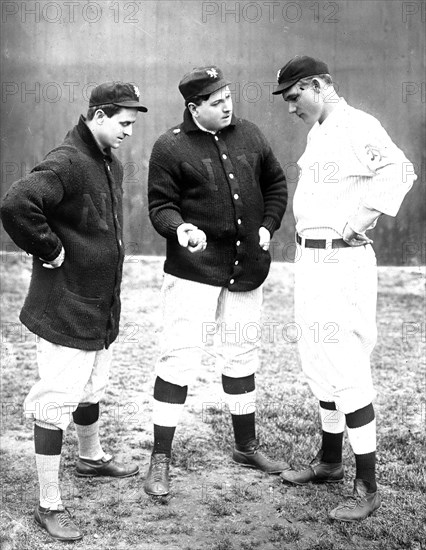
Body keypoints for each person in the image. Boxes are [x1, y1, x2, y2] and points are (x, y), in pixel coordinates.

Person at [0, 82, 148, 542]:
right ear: (99, 115)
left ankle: (90, 457)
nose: (129, 131)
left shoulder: (108, 162)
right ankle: (49, 503)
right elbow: (16, 203)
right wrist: (49, 249)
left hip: (98, 304)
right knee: (56, 399)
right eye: (123, 123)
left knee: (92, 384)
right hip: (65, 305)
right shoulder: (67, 160)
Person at [272, 56, 416, 521]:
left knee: (347, 362)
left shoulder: (358, 125)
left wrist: (361, 218)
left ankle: (367, 485)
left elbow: (399, 169)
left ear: (317, 85)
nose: (291, 108)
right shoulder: (321, 131)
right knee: (317, 356)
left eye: (295, 97)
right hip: (310, 258)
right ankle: (331, 461)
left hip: (342, 259)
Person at [145, 65, 289, 496]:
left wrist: (269, 223)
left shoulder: (251, 134)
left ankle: (245, 446)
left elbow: (276, 184)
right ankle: (160, 459)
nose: (227, 105)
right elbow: (159, 206)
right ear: (194, 108)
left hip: (247, 268)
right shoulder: (169, 147)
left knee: (242, 354)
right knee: (179, 359)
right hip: (194, 273)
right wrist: (179, 228)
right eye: (216, 101)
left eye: (228, 96)